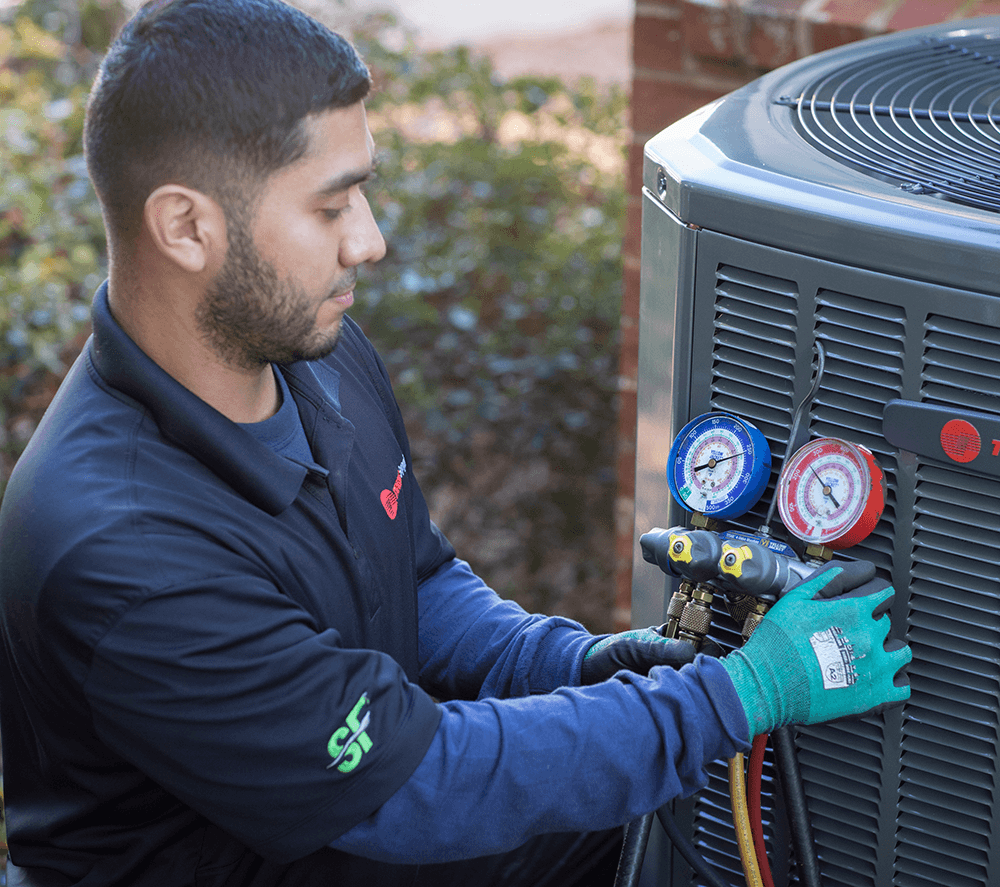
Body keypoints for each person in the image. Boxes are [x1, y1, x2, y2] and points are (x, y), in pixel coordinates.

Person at [0, 1, 912, 885]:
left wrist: (569, 661)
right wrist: (741, 694)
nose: (372, 241)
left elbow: (417, 580)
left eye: (365, 189)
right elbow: (419, 784)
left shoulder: (311, 351)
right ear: (186, 226)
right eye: (331, 207)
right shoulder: (120, 549)